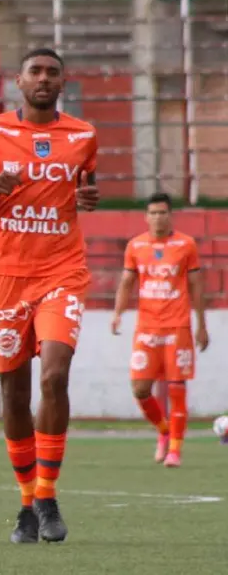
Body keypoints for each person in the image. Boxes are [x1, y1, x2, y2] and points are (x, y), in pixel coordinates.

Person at [0, 47, 100, 544]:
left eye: (52, 72)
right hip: (8, 278)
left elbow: (86, 188)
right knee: (14, 392)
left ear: (63, 82)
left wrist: (88, 198)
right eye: (35, 71)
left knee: (54, 376)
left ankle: (48, 496)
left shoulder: (83, 135)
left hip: (63, 272)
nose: (43, 79)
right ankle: (26, 503)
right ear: (19, 81)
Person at [111, 192, 208, 467]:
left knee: (177, 387)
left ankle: (175, 449)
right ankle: (164, 431)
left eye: (162, 213)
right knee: (140, 388)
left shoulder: (186, 245)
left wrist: (201, 325)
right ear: (146, 217)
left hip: (178, 326)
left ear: (170, 215)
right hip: (147, 328)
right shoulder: (136, 245)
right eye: (153, 213)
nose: (158, 218)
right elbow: (127, 282)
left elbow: (196, 285)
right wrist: (118, 313)